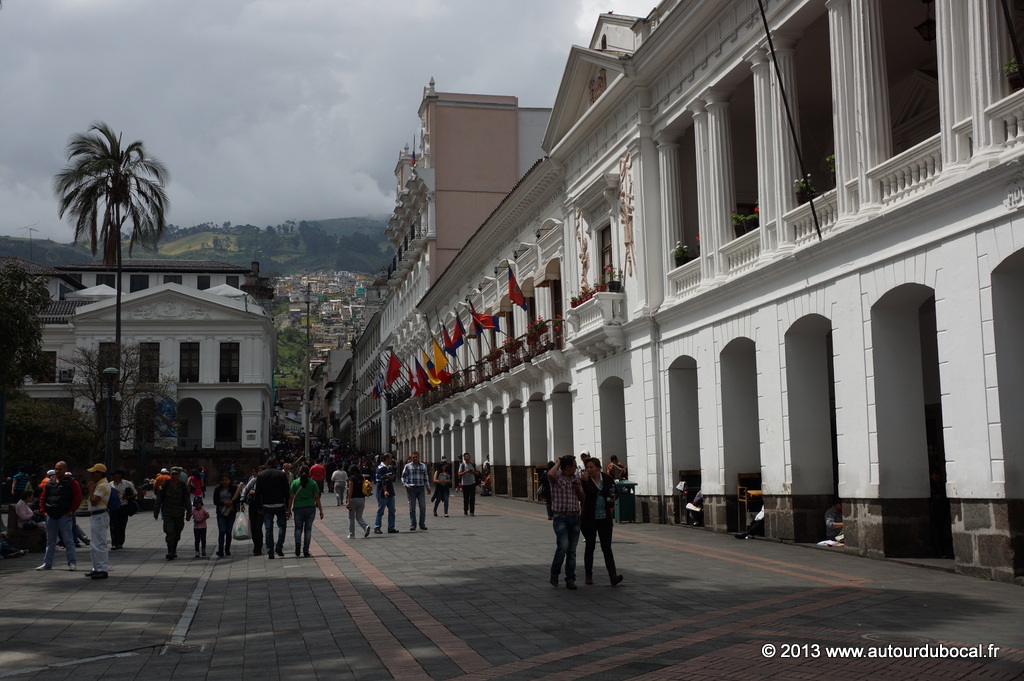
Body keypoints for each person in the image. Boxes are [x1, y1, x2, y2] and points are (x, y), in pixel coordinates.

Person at [581, 457, 623, 586]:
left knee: (607, 547)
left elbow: (615, 491)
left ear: (598, 468)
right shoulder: (584, 480)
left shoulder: (607, 479)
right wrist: (585, 482)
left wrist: (613, 496)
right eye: (587, 467)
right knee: (590, 546)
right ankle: (588, 575)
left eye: (592, 467)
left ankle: (613, 576)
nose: (589, 470)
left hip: (605, 518)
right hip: (589, 518)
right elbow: (584, 495)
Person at [547, 455, 585, 590]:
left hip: (575, 517)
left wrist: (578, 490)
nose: (575, 468)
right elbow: (549, 474)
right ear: (567, 467)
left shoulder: (576, 479)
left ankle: (570, 578)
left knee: (572, 550)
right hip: (561, 518)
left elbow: (583, 498)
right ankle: (554, 573)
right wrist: (558, 463)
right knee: (563, 546)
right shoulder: (557, 477)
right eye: (574, 465)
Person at [36, 460, 81, 572]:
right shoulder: (50, 483)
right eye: (56, 469)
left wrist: (71, 510)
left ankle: (72, 563)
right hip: (51, 515)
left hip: (64, 515)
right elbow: (43, 497)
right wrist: (43, 511)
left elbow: (77, 497)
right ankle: (47, 563)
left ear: (65, 470)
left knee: (68, 541)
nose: (57, 471)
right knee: (50, 541)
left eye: (60, 469)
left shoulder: (72, 482)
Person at [255, 458, 291, 558]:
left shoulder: (261, 475)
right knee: (282, 526)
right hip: (280, 503)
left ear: (267, 463)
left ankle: (270, 551)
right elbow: (286, 491)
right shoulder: (281, 474)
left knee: (268, 528)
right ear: (276, 463)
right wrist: (288, 507)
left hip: (266, 504)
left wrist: (258, 506)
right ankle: (279, 546)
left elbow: (258, 492)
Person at [154, 466, 192, 560]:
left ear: (179, 475)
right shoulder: (165, 484)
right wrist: (156, 511)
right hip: (168, 513)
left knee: (177, 532)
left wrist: (189, 513)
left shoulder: (182, 485)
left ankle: (174, 549)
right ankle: (170, 551)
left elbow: (187, 499)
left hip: (179, 513)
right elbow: (159, 498)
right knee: (169, 531)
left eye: (176, 474)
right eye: (173, 474)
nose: (174, 476)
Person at [84, 463, 112, 579]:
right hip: (96, 516)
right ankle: (96, 568)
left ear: (99, 473)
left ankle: (102, 569)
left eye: (94, 472)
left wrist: (91, 490)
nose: (92, 475)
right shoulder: (100, 484)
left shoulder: (103, 485)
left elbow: (94, 501)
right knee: (94, 544)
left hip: (100, 516)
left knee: (100, 544)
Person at [288, 465, 324, 557]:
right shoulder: (313, 483)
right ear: (309, 473)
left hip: (298, 508)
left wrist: (288, 510)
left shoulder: (295, 482)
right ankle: (305, 550)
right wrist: (320, 510)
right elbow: (317, 497)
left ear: (299, 473)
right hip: (310, 508)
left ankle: (297, 543)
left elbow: (291, 497)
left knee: (298, 528)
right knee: (308, 529)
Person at [401, 451, 431, 531]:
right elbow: (403, 477)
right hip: (411, 489)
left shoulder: (423, 466)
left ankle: (422, 524)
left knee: (422, 507)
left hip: (420, 488)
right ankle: (413, 524)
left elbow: (426, 477)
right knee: (412, 508)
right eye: (413, 457)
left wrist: (428, 487)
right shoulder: (408, 466)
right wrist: (406, 485)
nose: (414, 458)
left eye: (416, 457)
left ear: (419, 457)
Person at [108, 470, 136, 550]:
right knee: (113, 525)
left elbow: (135, 493)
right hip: (113, 507)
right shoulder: (110, 485)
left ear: (120, 475)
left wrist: (127, 496)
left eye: (115, 474)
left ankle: (120, 542)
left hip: (123, 506)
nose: (113, 476)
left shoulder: (127, 484)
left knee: (122, 525)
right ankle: (114, 543)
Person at [212, 474, 239, 557]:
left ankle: (227, 549)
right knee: (222, 530)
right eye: (223, 480)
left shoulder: (234, 489)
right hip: (221, 512)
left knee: (228, 531)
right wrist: (223, 503)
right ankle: (220, 550)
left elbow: (238, 499)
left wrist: (232, 502)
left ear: (229, 480)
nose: (224, 482)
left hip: (231, 512)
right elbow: (215, 501)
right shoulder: (217, 489)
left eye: (226, 480)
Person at [240, 467, 264, 556]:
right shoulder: (254, 480)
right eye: (260, 472)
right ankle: (256, 545)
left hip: (262, 506)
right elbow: (245, 489)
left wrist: (255, 492)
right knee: (253, 527)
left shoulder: (267, 482)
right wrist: (242, 502)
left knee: (258, 527)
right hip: (253, 506)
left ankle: (259, 547)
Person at [373, 453, 399, 534]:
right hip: (382, 492)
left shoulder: (390, 467)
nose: (392, 460)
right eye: (390, 458)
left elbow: (393, 477)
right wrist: (385, 490)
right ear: (386, 458)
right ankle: (377, 527)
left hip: (391, 491)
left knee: (392, 510)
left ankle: (391, 527)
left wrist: (388, 477)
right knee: (381, 510)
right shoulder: (380, 468)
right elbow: (382, 481)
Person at [346, 465, 371, 538]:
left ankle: (351, 534)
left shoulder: (351, 478)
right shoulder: (362, 477)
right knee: (359, 517)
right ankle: (365, 526)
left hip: (353, 499)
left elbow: (350, 490)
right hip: (362, 499)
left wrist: (348, 501)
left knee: (351, 517)